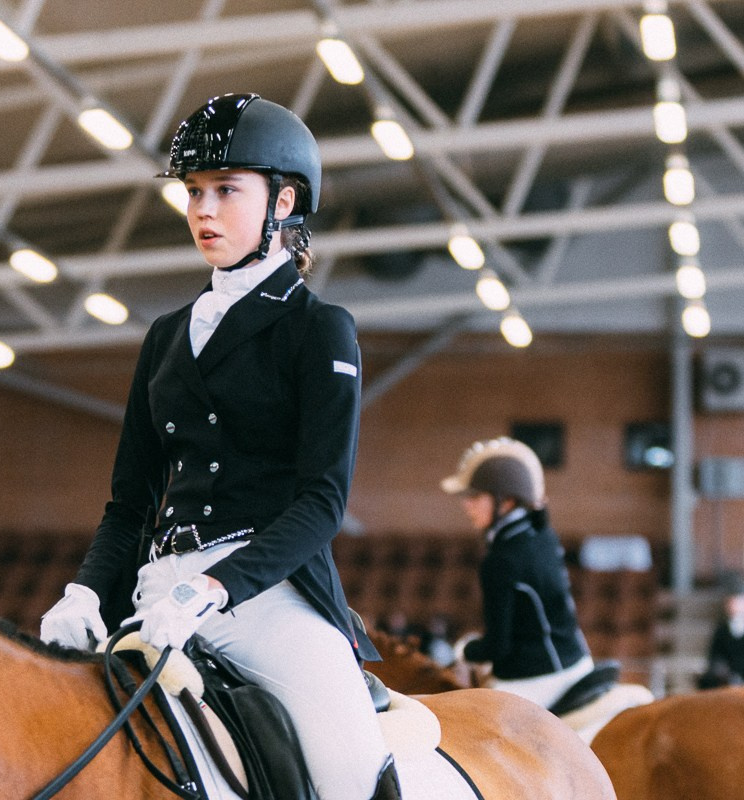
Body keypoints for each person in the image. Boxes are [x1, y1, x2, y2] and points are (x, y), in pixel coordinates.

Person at [39, 93, 399, 800]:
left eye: (227, 191)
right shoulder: (167, 336)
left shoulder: (319, 328)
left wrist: (216, 586)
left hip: (269, 597)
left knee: (352, 772)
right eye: (194, 192)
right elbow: (130, 502)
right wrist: (87, 591)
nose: (203, 210)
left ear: (284, 201)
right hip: (158, 596)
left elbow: (323, 501)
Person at [441, 436, 595, 709]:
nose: (467, 505)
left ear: (507, 500)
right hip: (577, 662)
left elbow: (498, 648)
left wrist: (463, 649)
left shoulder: (501, 560)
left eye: (475, 496)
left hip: (538, 680)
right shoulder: (543, 535)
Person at [698, 572, 744, 689]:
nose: (733, 606)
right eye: (730, 602)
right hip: (727, 677)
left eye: (737, 602)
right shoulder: (722, 630)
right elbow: (714, 656)